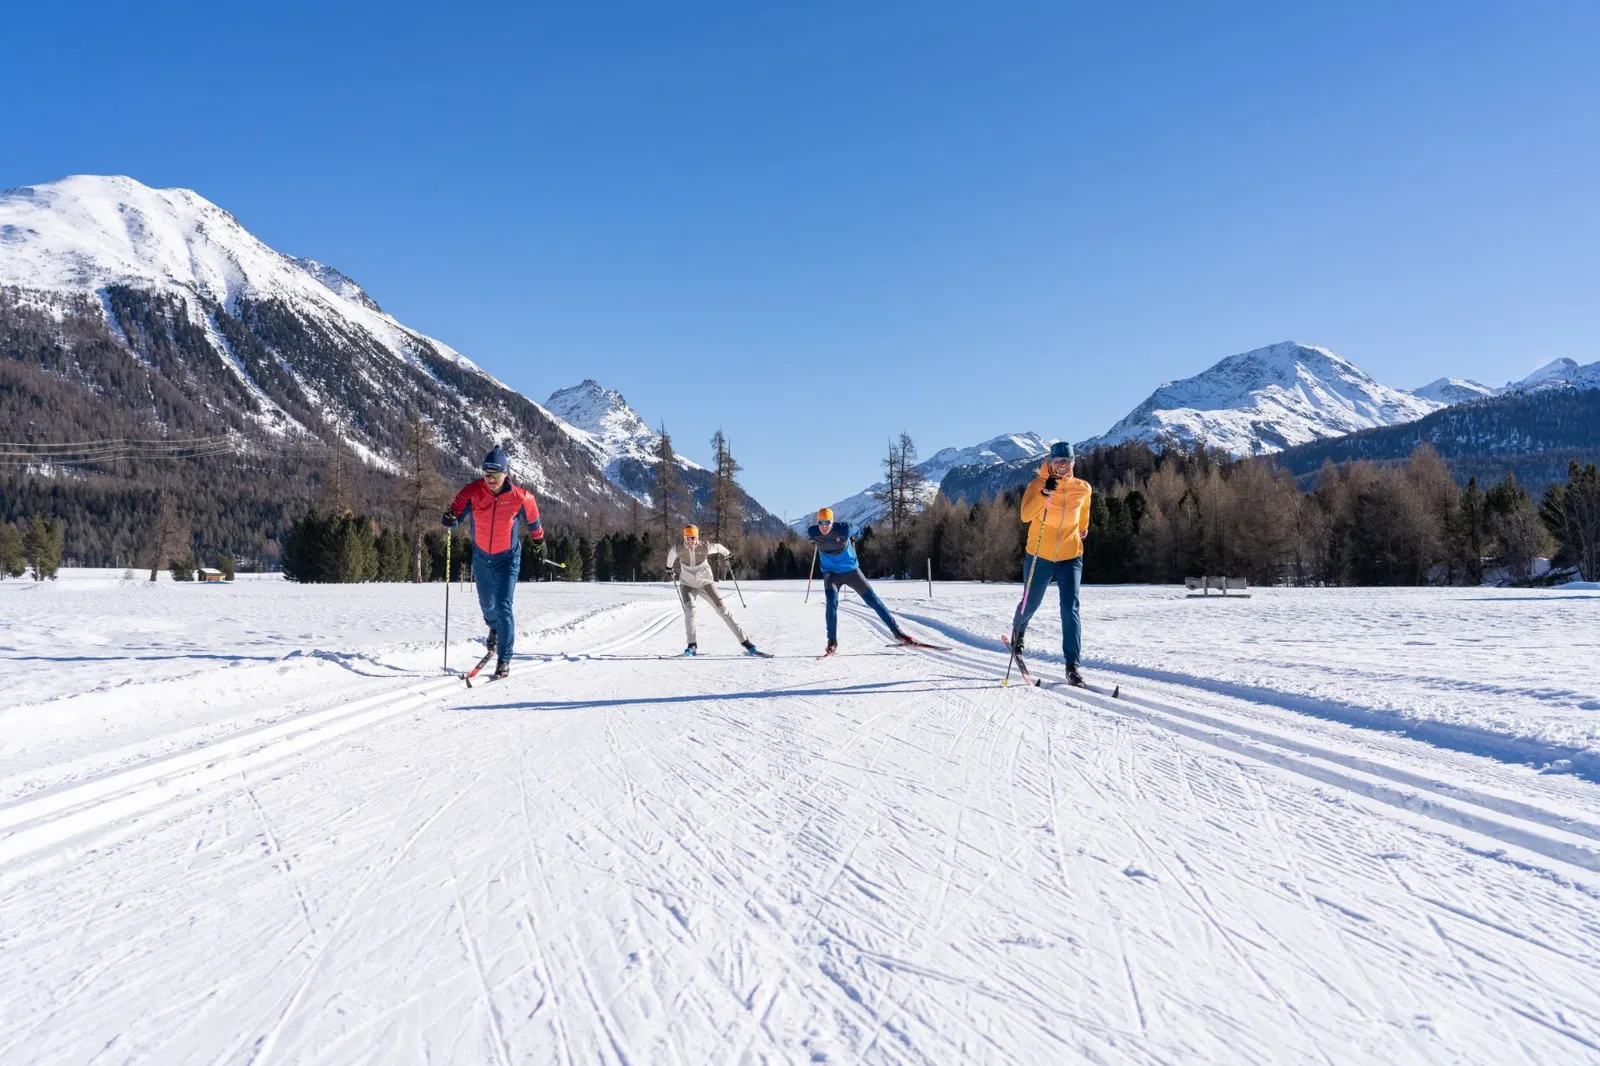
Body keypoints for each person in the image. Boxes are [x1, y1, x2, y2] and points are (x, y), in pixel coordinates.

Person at [442, 446, 544, 679]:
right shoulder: (472, 492)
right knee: (487, 605)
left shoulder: (521, 498)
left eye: (494, 474)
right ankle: (494, 629)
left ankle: (504, 659)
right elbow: (456, 515)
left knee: (503, 605)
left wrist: (539, 542)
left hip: (507, 559)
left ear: (505, 474)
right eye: (486, 473)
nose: (489, 479)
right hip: (481, 558)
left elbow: (534, 523)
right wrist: (449, 519)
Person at [1011, 440, 1092, 686]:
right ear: (1050, 462)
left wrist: (1083, 529)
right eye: (1058, 461)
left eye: (1067, 461)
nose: (1062, 465)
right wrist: (1044, 494)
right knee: (1031, 602)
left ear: (1073, 462)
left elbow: (1084, 513)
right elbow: (1025, 515)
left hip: (1070, 556)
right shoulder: (1037, 485)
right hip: (1040, 555)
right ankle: (1018, 634)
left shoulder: (1083, 488)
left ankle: (1072, 666)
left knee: (1070, 609)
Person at [806, 506, 916, 655]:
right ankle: (832, 641)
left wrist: (854, 537)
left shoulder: (844, 529)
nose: (823, 526)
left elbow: (857, 532)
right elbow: (812, 539)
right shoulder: (813, 532)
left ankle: (897, 632)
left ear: (832, 521)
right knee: (831, 604)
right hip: (831, 574)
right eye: (821, 523)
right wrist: (813, 541)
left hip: (851, 571)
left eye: (827, 522)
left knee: (873, 600)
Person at [666, 525, 762, 656]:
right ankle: (692, 645)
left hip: (706, 583)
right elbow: (671, 556)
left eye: (693, 538)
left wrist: (728, 555)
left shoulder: (705, 547)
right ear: (684, 537)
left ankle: (746, 642)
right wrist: (669, 568)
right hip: (687, 585)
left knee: (722, 610)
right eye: (687, 538)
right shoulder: (678, 548)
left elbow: (719, 547)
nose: (690, 541)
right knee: (690, 611)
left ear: (696, 537)